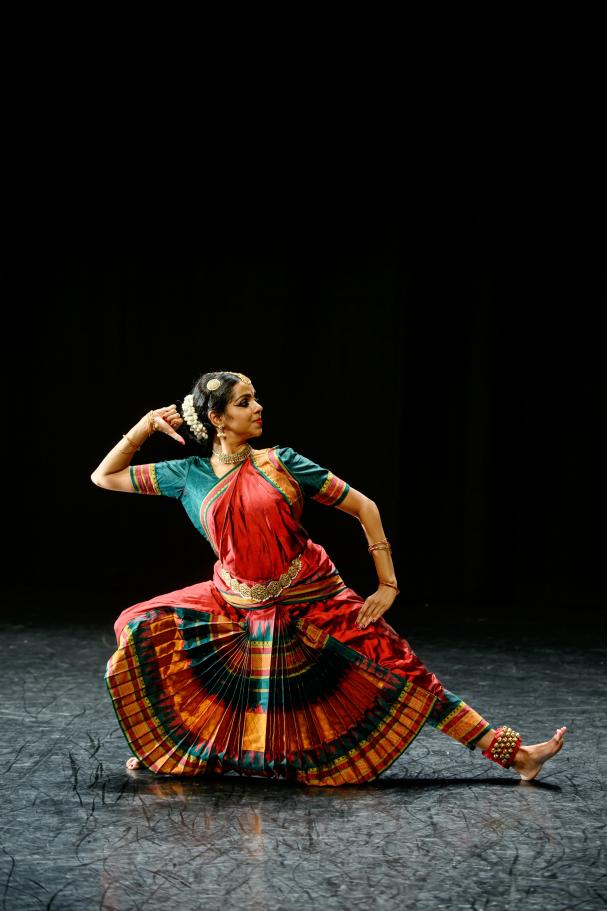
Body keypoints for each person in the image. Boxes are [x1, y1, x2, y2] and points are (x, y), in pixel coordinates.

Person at [91, 370, 567, 786]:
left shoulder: (282, 464)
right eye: (244, 402)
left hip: (313, 593)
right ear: (217, 418)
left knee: (403, 669)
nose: (258, 408)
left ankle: (518, 756)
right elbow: (103, 477)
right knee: (143, 624)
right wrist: (144, 427)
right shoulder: (187, 475)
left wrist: (388, 585)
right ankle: (172, 751)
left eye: (255, 398)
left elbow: (365, 507)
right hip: (234, 600)